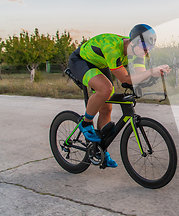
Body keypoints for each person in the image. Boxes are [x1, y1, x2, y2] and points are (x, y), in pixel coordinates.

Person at [68, 24, 170, 167]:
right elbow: (126, 79)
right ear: (133, 41)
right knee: (106, 89)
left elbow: (139, 76)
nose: (146, 52)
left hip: (101, 63)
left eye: (149, 48)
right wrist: (151, 71)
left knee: (107, 109)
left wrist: (154, 75)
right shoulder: (112, 48)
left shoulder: (137, 53)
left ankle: (101, 151)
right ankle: (85, 123)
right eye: (144, 46)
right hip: (81, 61)